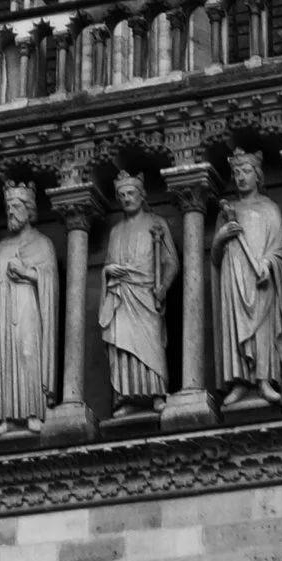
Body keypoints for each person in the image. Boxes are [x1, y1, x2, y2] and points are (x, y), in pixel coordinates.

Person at [99, 166, 178, 408]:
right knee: (124, 346)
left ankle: (156, 392)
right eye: (122, 195)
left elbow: (171, 262)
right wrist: (108, 271)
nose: (126, 199)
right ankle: (127, 397)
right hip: (121, 294)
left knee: (151, 344)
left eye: (131, 193)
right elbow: (108, 264)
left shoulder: (156, 223)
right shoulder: (116, 231)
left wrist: (164, 286)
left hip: (146, 293)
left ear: (142, 195)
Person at [212, 151, 282, 403]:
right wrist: (221, 236)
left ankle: (264, 379)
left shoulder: (270, 208)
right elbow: (214, 258)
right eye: (237, 173)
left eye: (246, 171)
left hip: (260, 277)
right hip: (233, 276)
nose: (241, 177)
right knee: (234, 328)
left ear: (258, 175)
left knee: (263, 327)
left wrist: (268, 263)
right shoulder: (227, 212)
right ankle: (240, 382)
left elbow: (280, 248)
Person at [0, 181, 57, 427]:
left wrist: (26, 272)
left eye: (15, 207)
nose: (11, 212)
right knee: (2, 359)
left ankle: (33, 412)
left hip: (28, 303)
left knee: (28, 353)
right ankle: (4, 416)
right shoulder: (0, 248)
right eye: (8, 208)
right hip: (2, 307)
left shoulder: (42, 243)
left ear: (29, 209)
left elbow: (50, 280)